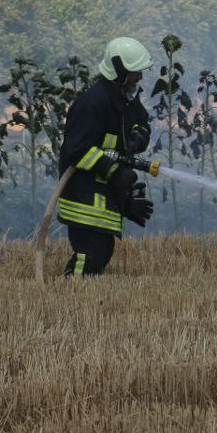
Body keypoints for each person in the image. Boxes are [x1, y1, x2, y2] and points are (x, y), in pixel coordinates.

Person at [56, 37, 156, 275]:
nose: (139, 78)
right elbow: (76, 151)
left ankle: (80, 292)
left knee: (102, 251)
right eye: (135, 73)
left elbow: (141, 122)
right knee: (92, 252)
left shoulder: (126, 98)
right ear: (119, 71)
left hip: (103, 190)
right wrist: (115, 172)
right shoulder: (91, 103)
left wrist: (138, 136)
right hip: (83, 195)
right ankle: (72, 290)